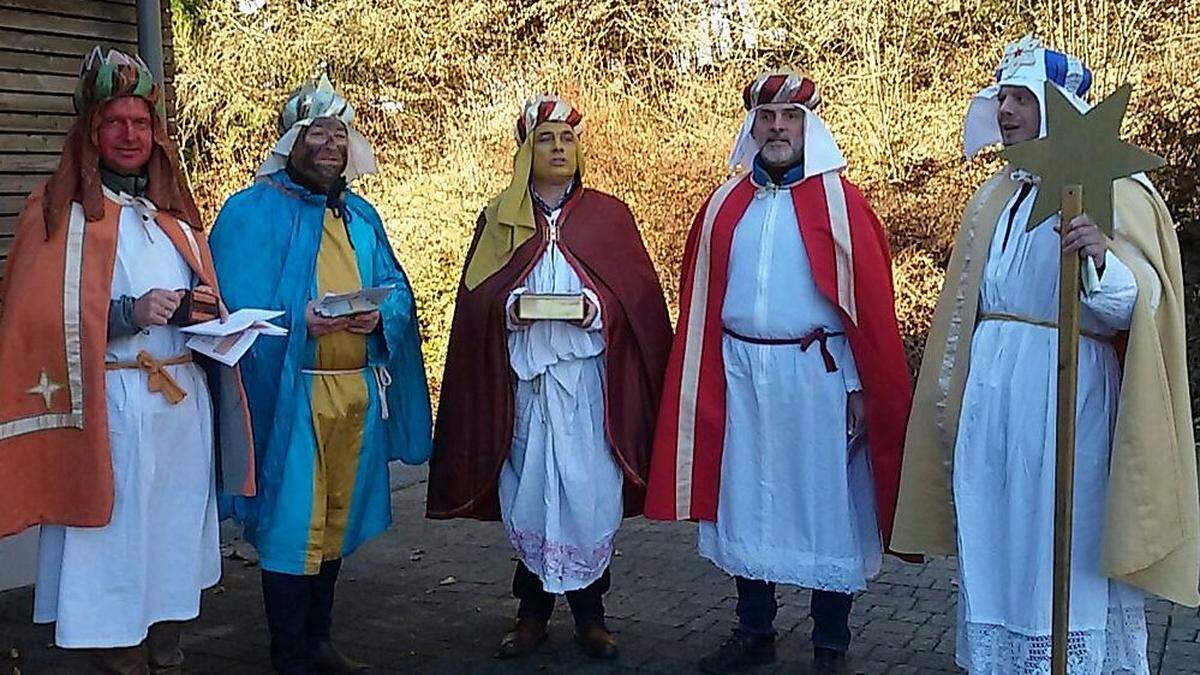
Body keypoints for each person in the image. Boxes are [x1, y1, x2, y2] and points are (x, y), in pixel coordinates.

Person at [892, 35, 1199, 674]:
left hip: (1068, 394)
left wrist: (1098, 258)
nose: (1003, 111)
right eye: (1000, 97)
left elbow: (1140, 306)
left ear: (1057, 107)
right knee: (999, 540)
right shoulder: (997, 194)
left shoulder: (1115, 187)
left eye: (1019, 99)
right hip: (995, 400)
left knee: (1063, 544)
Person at [644, 71, 913, 674]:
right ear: (751, 126)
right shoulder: (724, 204)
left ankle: (831, 643)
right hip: (740, 373)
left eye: (789, 117)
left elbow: (866, 309)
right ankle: (754, 629)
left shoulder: (842, 205)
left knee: (825, 502)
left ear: (809, 126)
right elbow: (703, 300)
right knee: (746, 496)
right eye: (766, 117)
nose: (777, 128)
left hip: (815, 376)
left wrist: (856, 384)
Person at [0, 47, 256, 674]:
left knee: (169, 543)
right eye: (114, 122)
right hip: (108, 412)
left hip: (178, 409)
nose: (129, 135)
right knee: (111, 547)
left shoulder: (173, 219)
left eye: (141, 123)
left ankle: (165, 654)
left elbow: (199, 303)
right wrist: (125, 314)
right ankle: (119, 659)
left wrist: (201, 313)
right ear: (90, 131)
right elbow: (29, 321)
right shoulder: (55, 215)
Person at [426, 95, 672, 660]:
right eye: (546, 139)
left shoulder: (609, 216)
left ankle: (592, 615)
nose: (559, 148)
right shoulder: (499, 218)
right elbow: (476, 301)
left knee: (586, 494)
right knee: (532, 492)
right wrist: (506, 309)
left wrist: (598, 309)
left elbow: (636, 299)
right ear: (525, 151)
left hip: (589, 388)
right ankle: (531, 613)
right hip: (526, 388)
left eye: (567, 139)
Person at [209, 73, 432, 675]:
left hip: (353, 394)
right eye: (317, 133)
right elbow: (230, 304)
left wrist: (378, 316)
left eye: (340, 133)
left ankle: (319, 640)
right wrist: (297, 319)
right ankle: (289, 654)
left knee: (333, 521)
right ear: (291, 141)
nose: (331, 144)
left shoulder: (360, 214)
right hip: (290, 395)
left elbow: (399, 292)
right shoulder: (250, 211)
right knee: (290, 527)